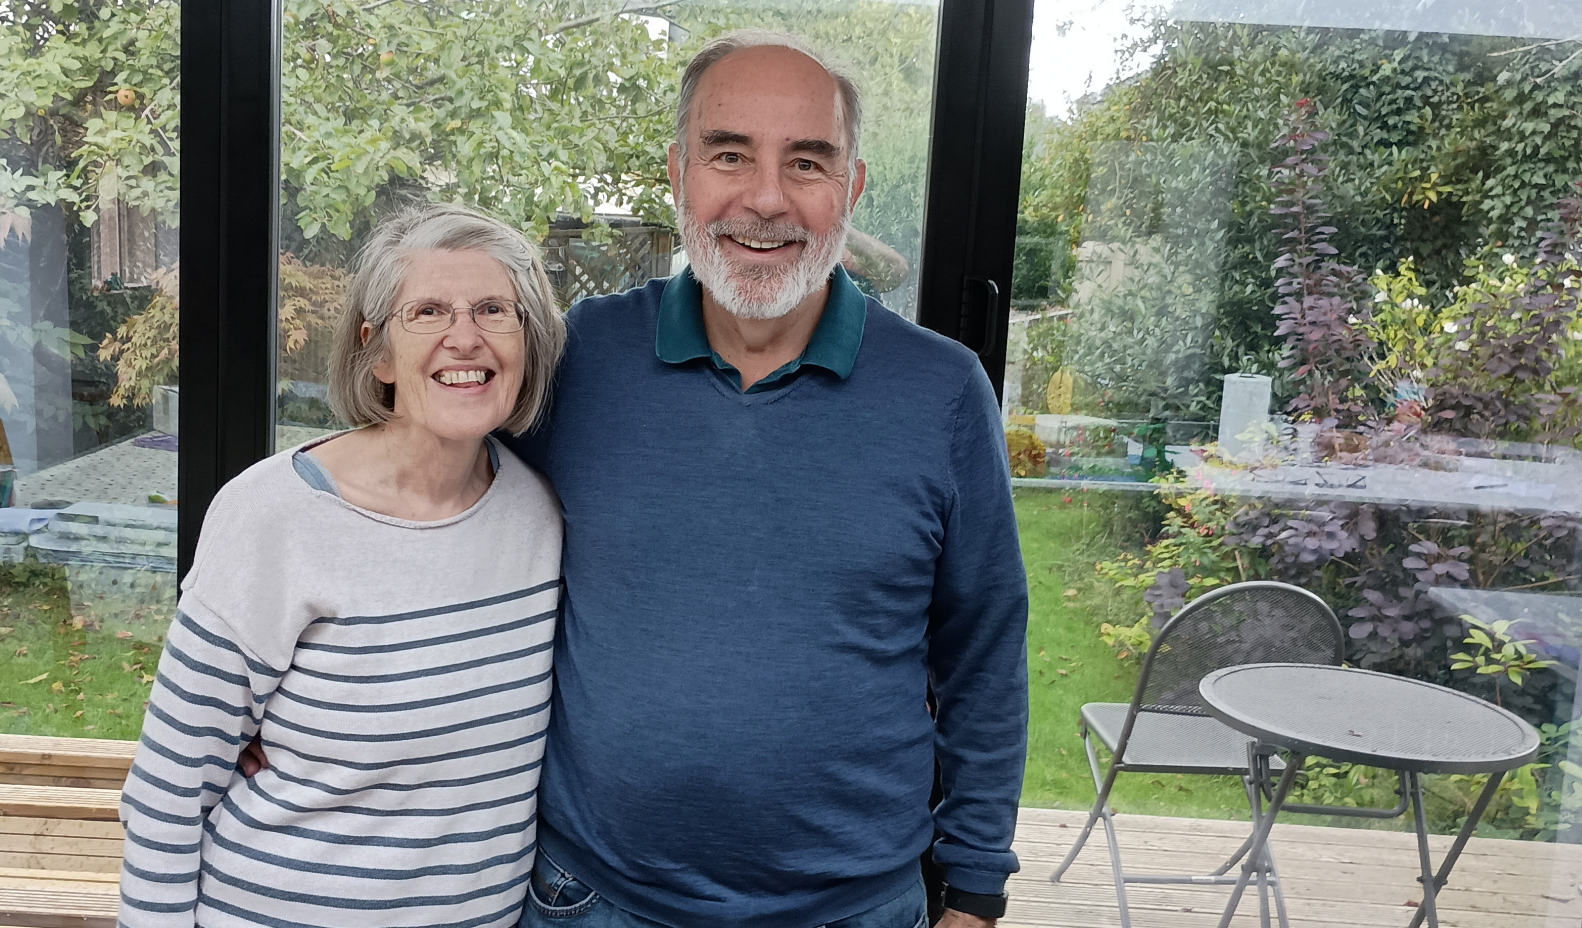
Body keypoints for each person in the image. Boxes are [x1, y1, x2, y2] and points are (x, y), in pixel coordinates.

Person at [508, 29, 1029, 928]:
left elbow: (984, 651)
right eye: (729, 155)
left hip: (854, 907)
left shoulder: (942, 392)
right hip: (594, 897)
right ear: (678, 173)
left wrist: (977, 888)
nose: (765, 199)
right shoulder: (581, 355)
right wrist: (307, 709)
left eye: (808, 163)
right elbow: (434, 514)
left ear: (851, 189)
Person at [116, 203, 568, 928]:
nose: (465, 337)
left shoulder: (543, 515)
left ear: (529, 342)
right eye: (427, 311)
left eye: (494, 310)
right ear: (377, 352)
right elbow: (169, 790)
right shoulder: (273, 514)